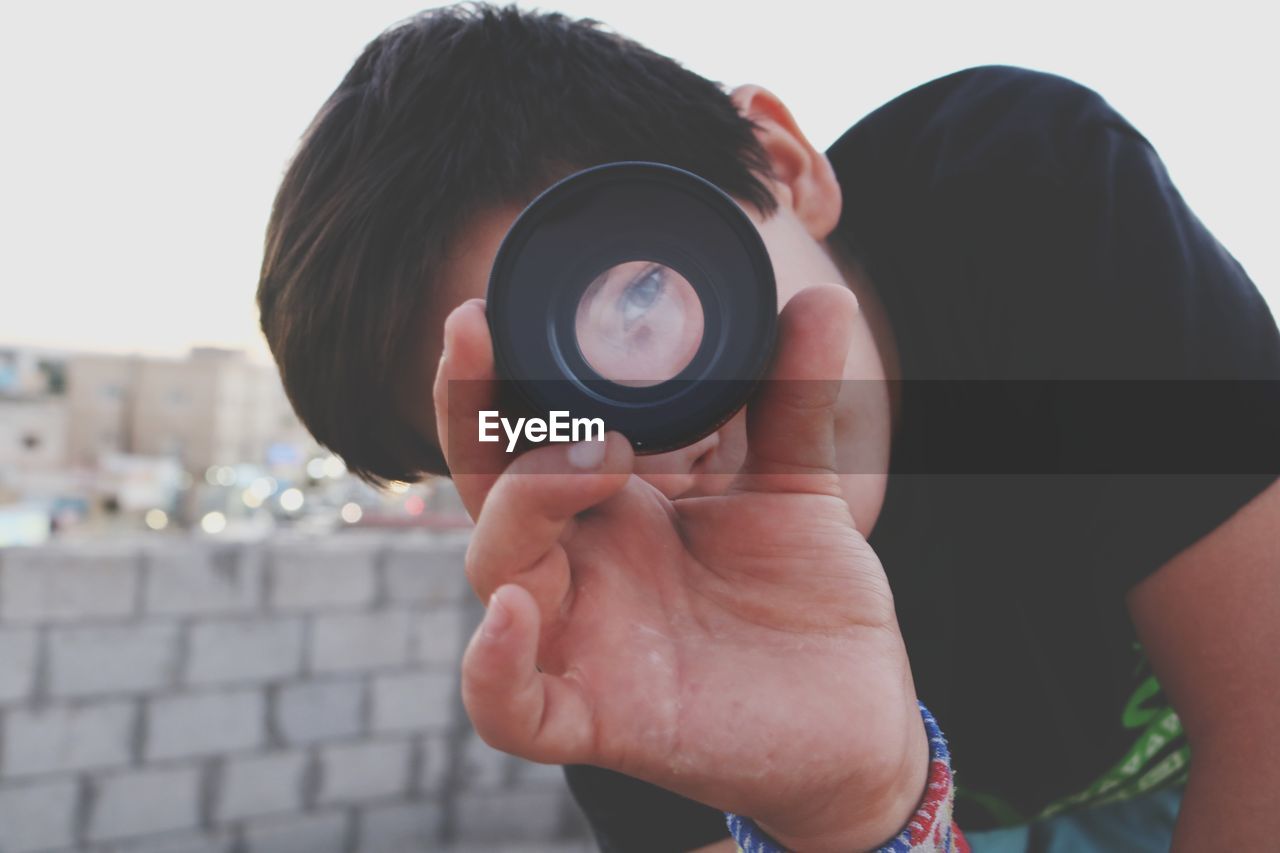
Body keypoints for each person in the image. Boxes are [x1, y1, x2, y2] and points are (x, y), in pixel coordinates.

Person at [255, 4, 1280, 850]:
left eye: (637, 302)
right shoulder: (618, 625)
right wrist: (859, 815)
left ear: (780, 164)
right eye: (543, 419)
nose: (657, 441)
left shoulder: (1014, 203)